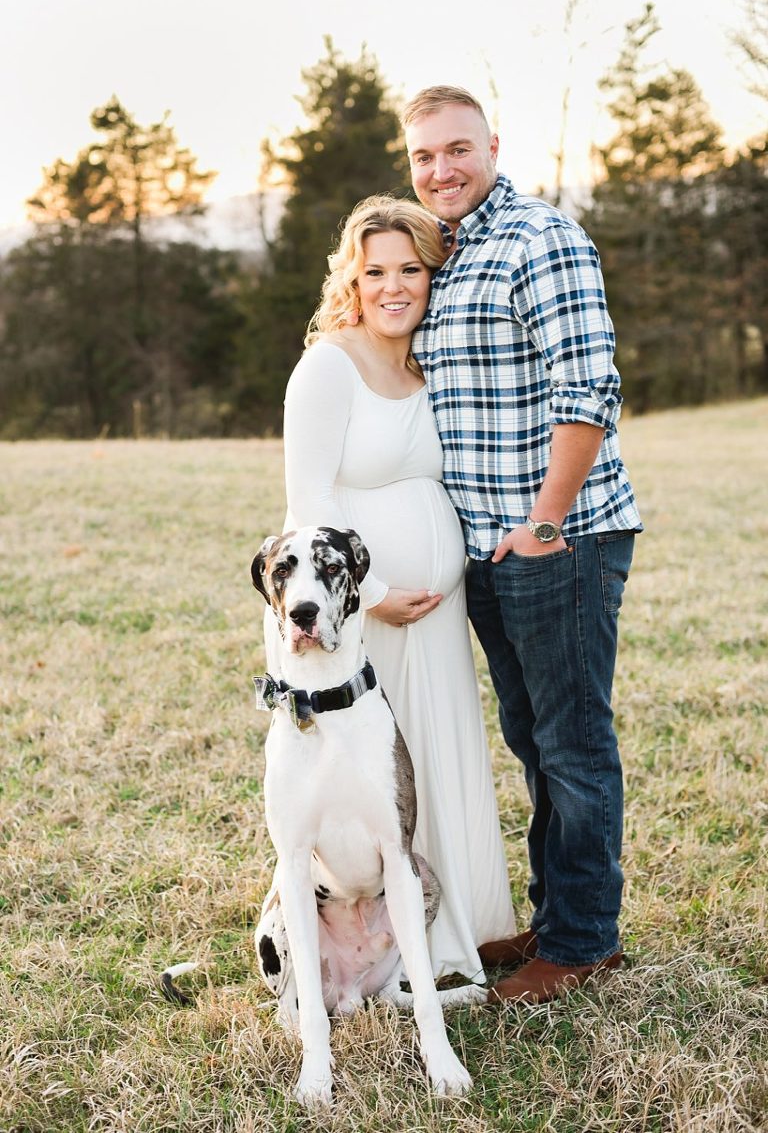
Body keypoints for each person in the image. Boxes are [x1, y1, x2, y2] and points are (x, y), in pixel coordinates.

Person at [401, 86, 643, 1004]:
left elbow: (589, 392)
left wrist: (544, 525)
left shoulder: (541, 239)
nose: (442, 170)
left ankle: (582, 944)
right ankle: (559, 917)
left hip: (560, 538)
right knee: (534, 738)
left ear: (493, 145)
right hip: (490, 554)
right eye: (424, 157)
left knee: (573, 741)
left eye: (458, 149)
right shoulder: (445, 252)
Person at [272, 193, 517, 983]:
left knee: (440, 762)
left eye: (410, 268)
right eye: (374, 270)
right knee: (381, 780)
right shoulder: (328, 364)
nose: (392, 286)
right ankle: (375, 951)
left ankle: (461, 934)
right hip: (362, 620)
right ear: (352, 276)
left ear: (431, 273)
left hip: (435, 618)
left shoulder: (426, 361)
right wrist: (373, 593)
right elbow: (310, 501)